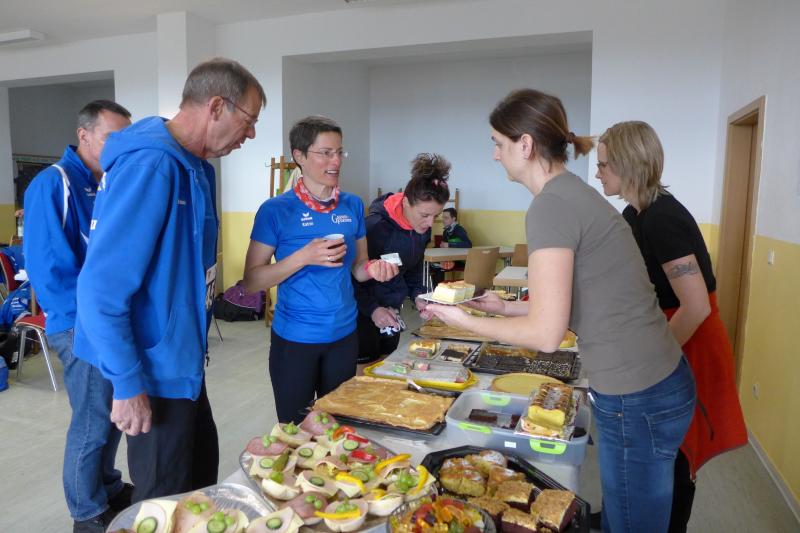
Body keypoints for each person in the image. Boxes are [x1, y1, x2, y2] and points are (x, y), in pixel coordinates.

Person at [425, 89, 696, 533]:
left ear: (525, 145)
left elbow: (547, 335)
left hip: (636, 391)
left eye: (498, 143)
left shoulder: (550, 205)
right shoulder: (572, 193)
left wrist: (465, 321)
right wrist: (503, 307)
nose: (494, 155)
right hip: (655, 379)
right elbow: (574, 299)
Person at [73, 58, 265, 502]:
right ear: (216, 106)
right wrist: (127, 383)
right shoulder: (151, 165)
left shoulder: (195, 168)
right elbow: (100, 290)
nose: (251, 134)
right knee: (164, 502)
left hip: (182, 365)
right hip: (152, 372)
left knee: (199, 485)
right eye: (249, 120)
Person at [596, 121, 747, 532]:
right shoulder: (634, 213)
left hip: (688, 342)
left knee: (675, 453)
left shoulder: (663, 219)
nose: (598, 173)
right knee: (652, 448)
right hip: (667, 336)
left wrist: (650, 361)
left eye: (604, 165)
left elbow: (695, 306)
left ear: (628, 165)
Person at [243, 116, 398, 423]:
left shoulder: (353, 205)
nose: (336, 161)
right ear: (299, 156)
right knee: (296, 428)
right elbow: (251, 281)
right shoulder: (276, 210)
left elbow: (358, 268)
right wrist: (303, 257)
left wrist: (375, 269)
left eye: (339, 152)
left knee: (337, 425)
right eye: (325, 153)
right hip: (295, 339)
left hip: (344, 335)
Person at [24, 99, 132, 533]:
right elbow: (50, 268)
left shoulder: (107, 181)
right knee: (91, 421)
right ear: (84, 135)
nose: (118, 147)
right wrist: (85, 323)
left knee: (113, 415)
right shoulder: (55, 183)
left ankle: (106, 485)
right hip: (79, 325)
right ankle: (86, 511)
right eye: (111, 138)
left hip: (109, 322)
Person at [355, 153, 451, 366]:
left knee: (386, 368)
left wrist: (418, 296)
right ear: (406, 202)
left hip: (392, 310)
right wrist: (373, 310)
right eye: (424, 215)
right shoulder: (375, 228)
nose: (430, 223)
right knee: (364, 375)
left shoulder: (421, 230)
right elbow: (350, 279)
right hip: (362, 313)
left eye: (436, 216)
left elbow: (413, 269)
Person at [429, 206, 472, 286]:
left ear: (453, 219)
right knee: (431, 266)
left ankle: (438, 290)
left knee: (439, 267)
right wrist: (441, 246)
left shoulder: (459, 229)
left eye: (446, 218)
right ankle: (433, 289)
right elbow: (445, 248)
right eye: (443, 218)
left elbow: (468, 244)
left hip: (460, 260)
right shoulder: (446, 231)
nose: (443, 220)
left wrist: (449, 244)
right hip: (449, 258)